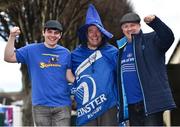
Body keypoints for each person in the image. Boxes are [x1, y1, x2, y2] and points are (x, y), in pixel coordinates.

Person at [4, 20, 74, 126]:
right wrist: (12, 37)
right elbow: (8, 57)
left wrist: (84, 81)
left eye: (56, 33)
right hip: (41, 105)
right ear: (43, 32)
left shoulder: (66, 53)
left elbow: (68, 75)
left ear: (60, 35)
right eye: (49, 31)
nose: (52, 35)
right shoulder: (31, 50)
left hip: (62, 105)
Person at [71, 4, 127, 126]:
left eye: (98, 31)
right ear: (86, 34)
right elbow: (66, 73)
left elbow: (124, 75)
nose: (95, 35)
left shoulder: (112, 52)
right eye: (91, 31)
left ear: (102, 33)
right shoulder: (75, 55)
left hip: (109, 107)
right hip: (86, 109)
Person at [117, 12, 176, 126]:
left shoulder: (151, 40)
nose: (129, 29)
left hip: (151, 105)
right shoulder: (120, 49)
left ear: (139, 26)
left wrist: (155, 22)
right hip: (130, 106)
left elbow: (168, 38)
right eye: (126, 26)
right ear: (122, 29)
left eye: (132, 25)